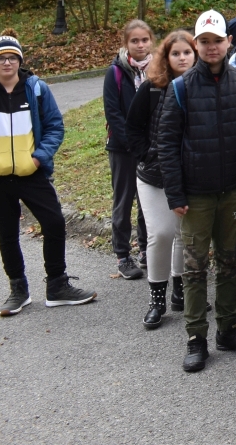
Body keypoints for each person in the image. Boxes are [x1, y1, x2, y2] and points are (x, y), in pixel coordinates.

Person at [0, 32, 96, 315]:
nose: (7, 62)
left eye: (12, 57)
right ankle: (18, 290)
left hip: (32, 174)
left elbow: (55, 126)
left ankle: (57, 285)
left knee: (54, 223)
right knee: (7, 234)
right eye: (1, 58)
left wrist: (39, 158)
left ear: (20, 61)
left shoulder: (36, 90)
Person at [158, 9, 236, 372]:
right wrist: (175, 193)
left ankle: (228, 329)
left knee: (229, 261)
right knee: (194, 267)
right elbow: (167, 143)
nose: (211, 47)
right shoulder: (180, 87)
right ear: (196, 44)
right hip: (196, 194)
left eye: (217, 40)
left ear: (228, 42)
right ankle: (196, 338)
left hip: (234, 189)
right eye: (204, 41)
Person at [126, 29, 196, 328]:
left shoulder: (201, 88)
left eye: (187, 52)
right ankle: (157, 299)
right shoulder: (152, 88)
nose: (182, 58)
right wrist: (147, 154)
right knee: (162, 233)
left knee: (182, 233)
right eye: (175, 53)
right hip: (153, 175)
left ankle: (180, 291)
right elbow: (132, 127)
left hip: (188, 175)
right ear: (166, 57)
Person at [104, 19, 154, 280]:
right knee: (123, 200)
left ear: (151, 41)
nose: (140, 45)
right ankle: (123, 255)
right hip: (122, 148)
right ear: (126, 43)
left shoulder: (158, 70)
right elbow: (113, 113)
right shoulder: (115, 73)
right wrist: (132, 143)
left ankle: (146, 249)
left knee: (148, 201)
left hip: (149, 148)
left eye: (144, 40)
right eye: (135, 41)